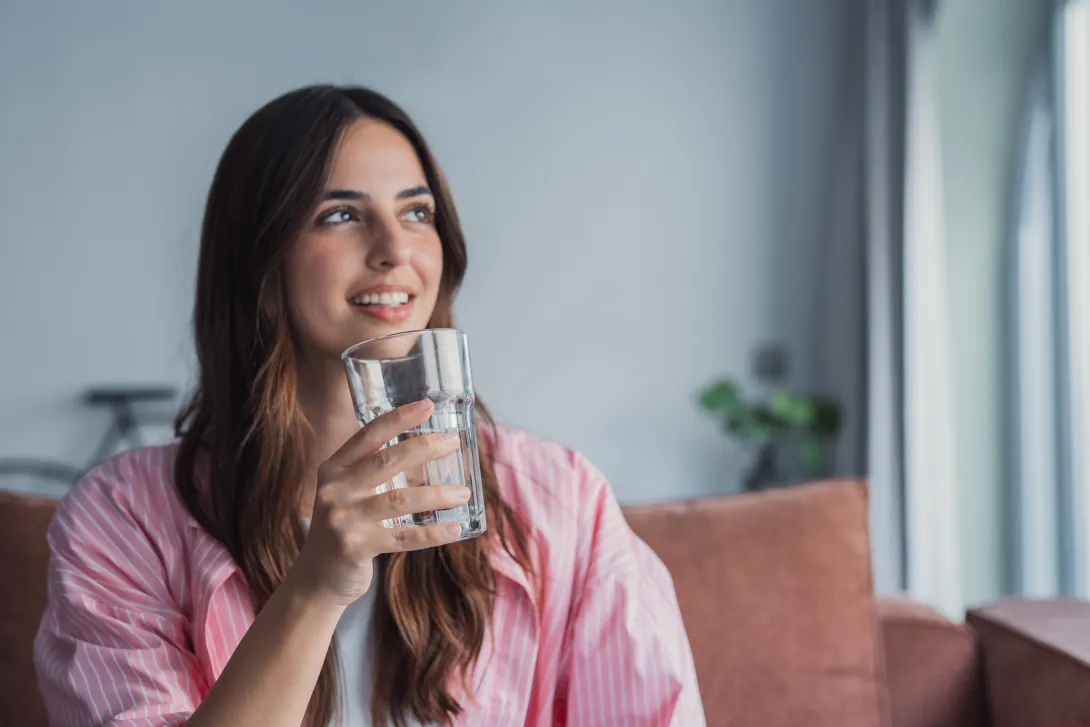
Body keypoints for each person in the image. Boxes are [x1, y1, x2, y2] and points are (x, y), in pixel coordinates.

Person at [33, 85, 705, 727]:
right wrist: (315, 585)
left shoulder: (563, 502)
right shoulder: (123, 519)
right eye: (341, 215)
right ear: (261, 269)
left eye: (417, 212)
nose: (395, 250)